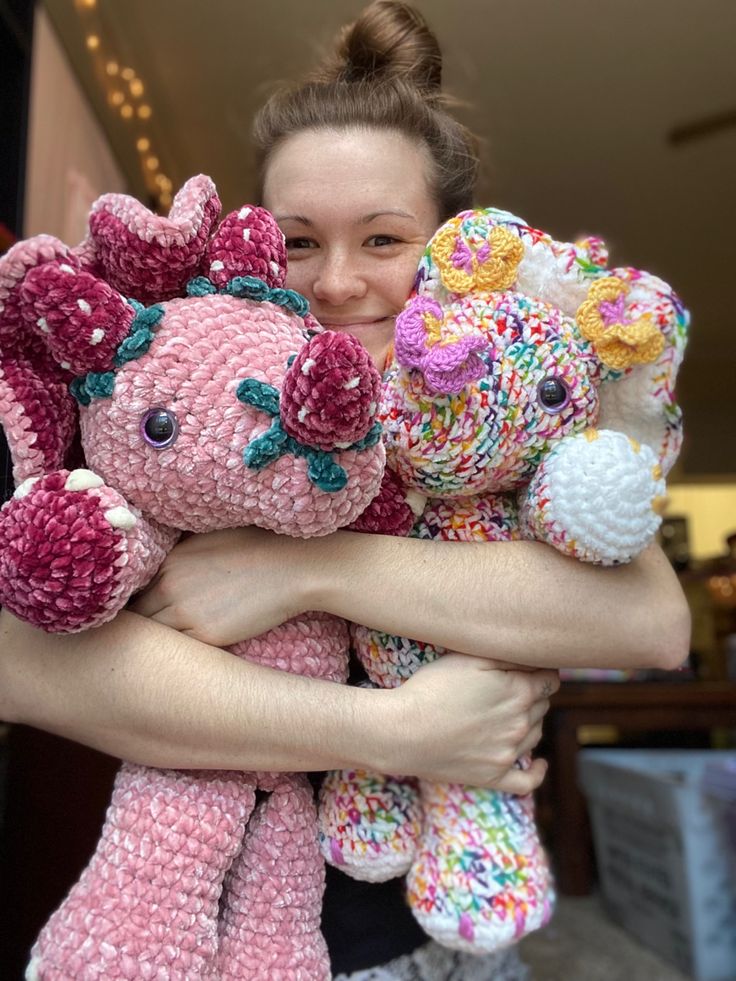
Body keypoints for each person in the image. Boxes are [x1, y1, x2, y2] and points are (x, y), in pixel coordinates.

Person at [0, 2, 690, 978]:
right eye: (296, 242)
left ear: (450, 249)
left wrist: (303, 573)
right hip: (200, 928)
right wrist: (395, 732)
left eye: (380, 240)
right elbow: (21, 665)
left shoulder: (501, 419)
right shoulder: (175, 403)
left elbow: (648, 623)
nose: (333, 283)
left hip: (441, 943)